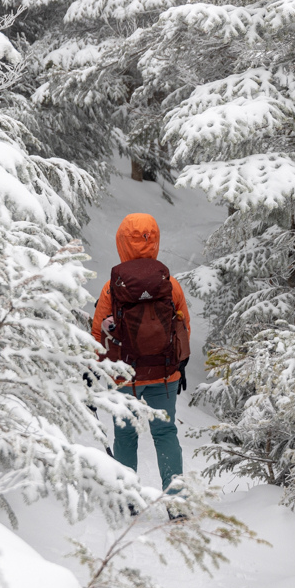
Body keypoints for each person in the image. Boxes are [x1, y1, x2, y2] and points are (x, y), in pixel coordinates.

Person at [91, 213, 190, 503]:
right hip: (165, 373)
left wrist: (96, 371)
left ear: (122, 242)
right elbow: (183, 327)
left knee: (125, 437)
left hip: (124, 376)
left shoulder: (112, 287)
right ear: (155, 241)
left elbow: (98, 332)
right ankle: (177, 502)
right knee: (166, 434)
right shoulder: (169, 284)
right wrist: (180, 366)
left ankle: (127, 501)